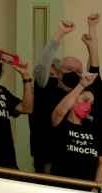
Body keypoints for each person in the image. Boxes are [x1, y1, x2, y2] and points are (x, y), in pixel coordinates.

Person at [31, 19, 82, 172]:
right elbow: (43, 63)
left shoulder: (81, 94)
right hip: (49, 158)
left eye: (78, 71)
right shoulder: (46, 85)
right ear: (58, 72)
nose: (73, 74)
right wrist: (59, 34)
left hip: (76, 159)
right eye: (69, 69)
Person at [49, 72, 102, 182]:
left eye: (91, 104)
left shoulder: (93, 129)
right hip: (61, 187)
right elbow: (60, 112)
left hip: (86, 190)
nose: (88, 106)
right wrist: (81, 85)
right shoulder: (61, 123)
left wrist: (97, 188)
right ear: (73, 99)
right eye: (85, 100)